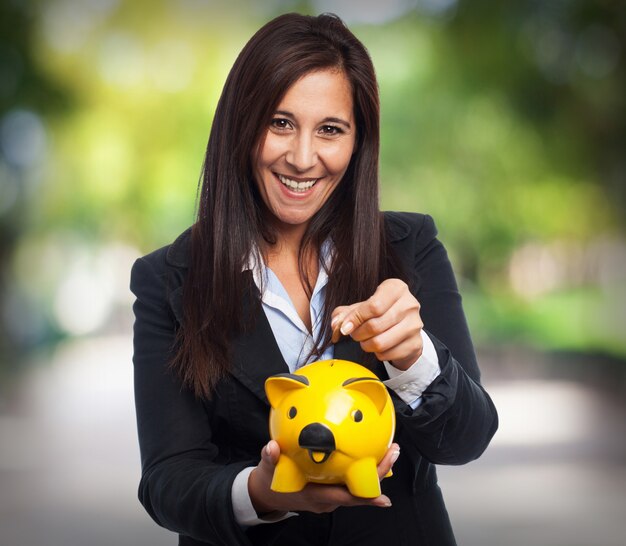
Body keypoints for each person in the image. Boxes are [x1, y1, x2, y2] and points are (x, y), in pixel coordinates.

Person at [130, 12, 498, 546]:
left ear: (358, 143)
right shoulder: (168, 279)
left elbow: (466, 440)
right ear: (241, 125)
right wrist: (263, 493)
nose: (302, 159)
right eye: (280, 123)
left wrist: (413, 357)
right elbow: (168, 482)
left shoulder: (408, 247)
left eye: (330, 130)